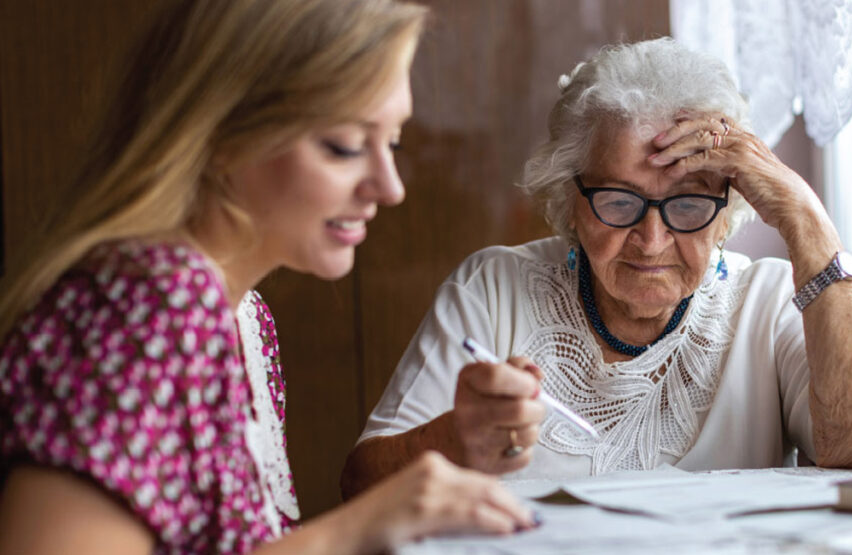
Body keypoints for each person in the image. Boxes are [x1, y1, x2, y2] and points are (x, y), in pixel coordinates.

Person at [0, 1, 537, 553]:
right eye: (346, 146)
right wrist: (353, 529)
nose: (390, 186)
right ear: (224, 133)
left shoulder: (245, 319)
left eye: (393, 142)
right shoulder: (143, 311)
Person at [341, 37, 852, 496]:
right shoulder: (494, 289)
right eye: (619, 201)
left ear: (725, 212)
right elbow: (361, 485)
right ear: (571, 202)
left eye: (689, 204)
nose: (651, 239)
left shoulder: (766, 302)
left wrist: (805, 219)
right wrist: (453, 438)